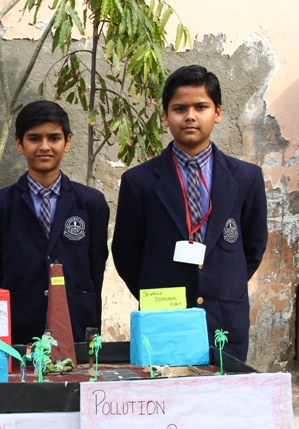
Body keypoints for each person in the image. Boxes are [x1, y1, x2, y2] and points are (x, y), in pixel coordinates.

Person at [111, 65, 268, 362]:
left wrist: (224, 283)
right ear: (165, 116)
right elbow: (126, 253)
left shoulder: (246, 178)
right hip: (164, 315)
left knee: (221, 388)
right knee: (164, 387)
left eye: (201, 107)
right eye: (180, 108)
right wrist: (153, 294)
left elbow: (253, 246)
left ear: (218, 113)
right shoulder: (139, 182)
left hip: (224, 315)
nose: (190, 116)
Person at [0, 100, 109, 346]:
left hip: (75, 324)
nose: (44, 146)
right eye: (34, 138)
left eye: (54, 138)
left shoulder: (91, 203)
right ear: (19, 144)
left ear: (67, 142)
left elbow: (95, 272)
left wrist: (92, 324)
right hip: (19, 327)